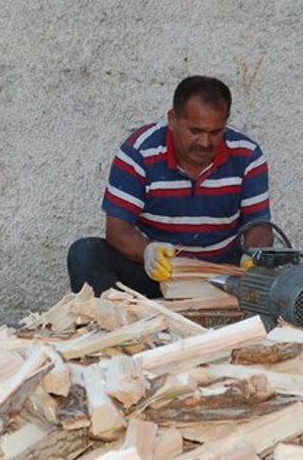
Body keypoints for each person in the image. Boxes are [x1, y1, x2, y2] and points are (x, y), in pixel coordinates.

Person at [67, 76, 273, 298]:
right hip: (157, 275)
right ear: (173, 120)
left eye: (215, 132)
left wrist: (252, 257)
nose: (205, 142)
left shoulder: (247, 154)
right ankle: (116, 325)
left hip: (223, 276)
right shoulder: (139, 153)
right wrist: (148, 251)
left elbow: (259, 227)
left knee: (292, 275)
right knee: (86, 253)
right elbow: (117, 230)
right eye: (195, 131)